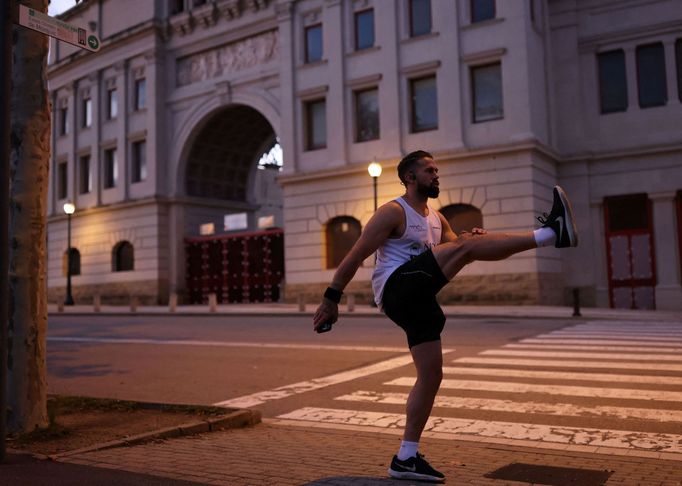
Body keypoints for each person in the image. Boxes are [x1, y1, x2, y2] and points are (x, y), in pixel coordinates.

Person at [313, 150, 578, 482]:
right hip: (397, 290)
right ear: (410, 177)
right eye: (429, 170)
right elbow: (356, 253)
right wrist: (331, 298)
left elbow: (464, 251)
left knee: (432, 375)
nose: (436, 175)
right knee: (464, 248)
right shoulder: (392, 212)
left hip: (419, 300)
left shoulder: (437, 219)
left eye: (437, 170)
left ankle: (405, 457)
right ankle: (553, 235)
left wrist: (472, 241)